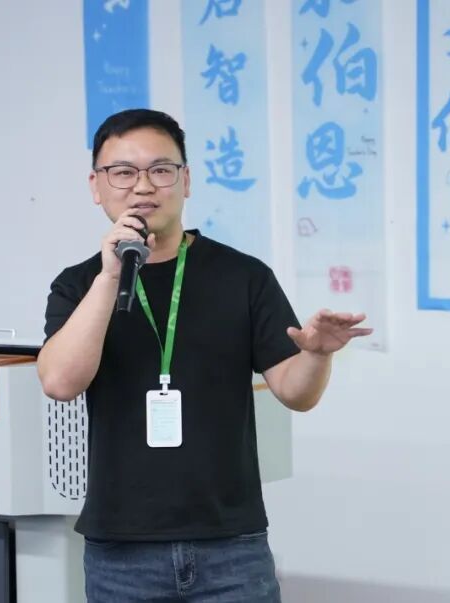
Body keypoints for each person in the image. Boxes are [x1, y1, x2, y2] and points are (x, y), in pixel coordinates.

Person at [38, 108, 371, 602]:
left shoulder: (243, 276)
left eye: (161, 169)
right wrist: (111, 276)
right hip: (121, 551)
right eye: (123, 172)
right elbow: (60, 382)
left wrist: (318, 356)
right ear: (97, 185)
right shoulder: (78, 285)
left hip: (231, 546)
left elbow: (295, 393)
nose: (143, 186)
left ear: (186, 180)